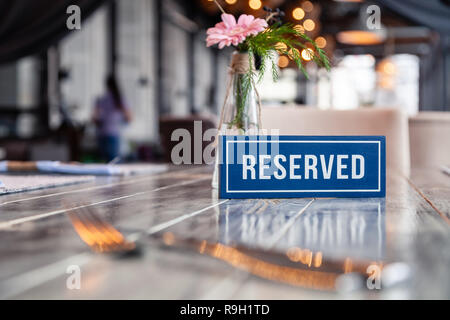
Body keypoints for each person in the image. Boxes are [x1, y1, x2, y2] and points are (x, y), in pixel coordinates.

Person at [93, 74, 132, 162]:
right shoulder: (119, 99)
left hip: (102, 133)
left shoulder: (101, 99)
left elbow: (95, 118)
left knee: (105, 162)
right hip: (114, 133)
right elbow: (129, 117)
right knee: (115, 162)